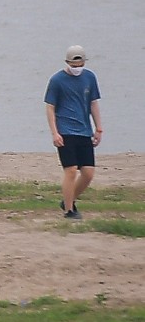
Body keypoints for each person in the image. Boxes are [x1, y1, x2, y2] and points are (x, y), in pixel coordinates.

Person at [45, 45, 102, 221]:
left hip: (84, 131)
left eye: (80, 64)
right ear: (67, 63)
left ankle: (68, 199)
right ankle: (69, 210)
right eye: (73, 65)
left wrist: (98, 128)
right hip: (65, 131)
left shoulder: (90, 77)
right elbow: (50, 107)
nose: (77, 68)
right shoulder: (57, 80)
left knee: (88, 173)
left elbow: (93, 103)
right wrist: (55, 133)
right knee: (70, 170)